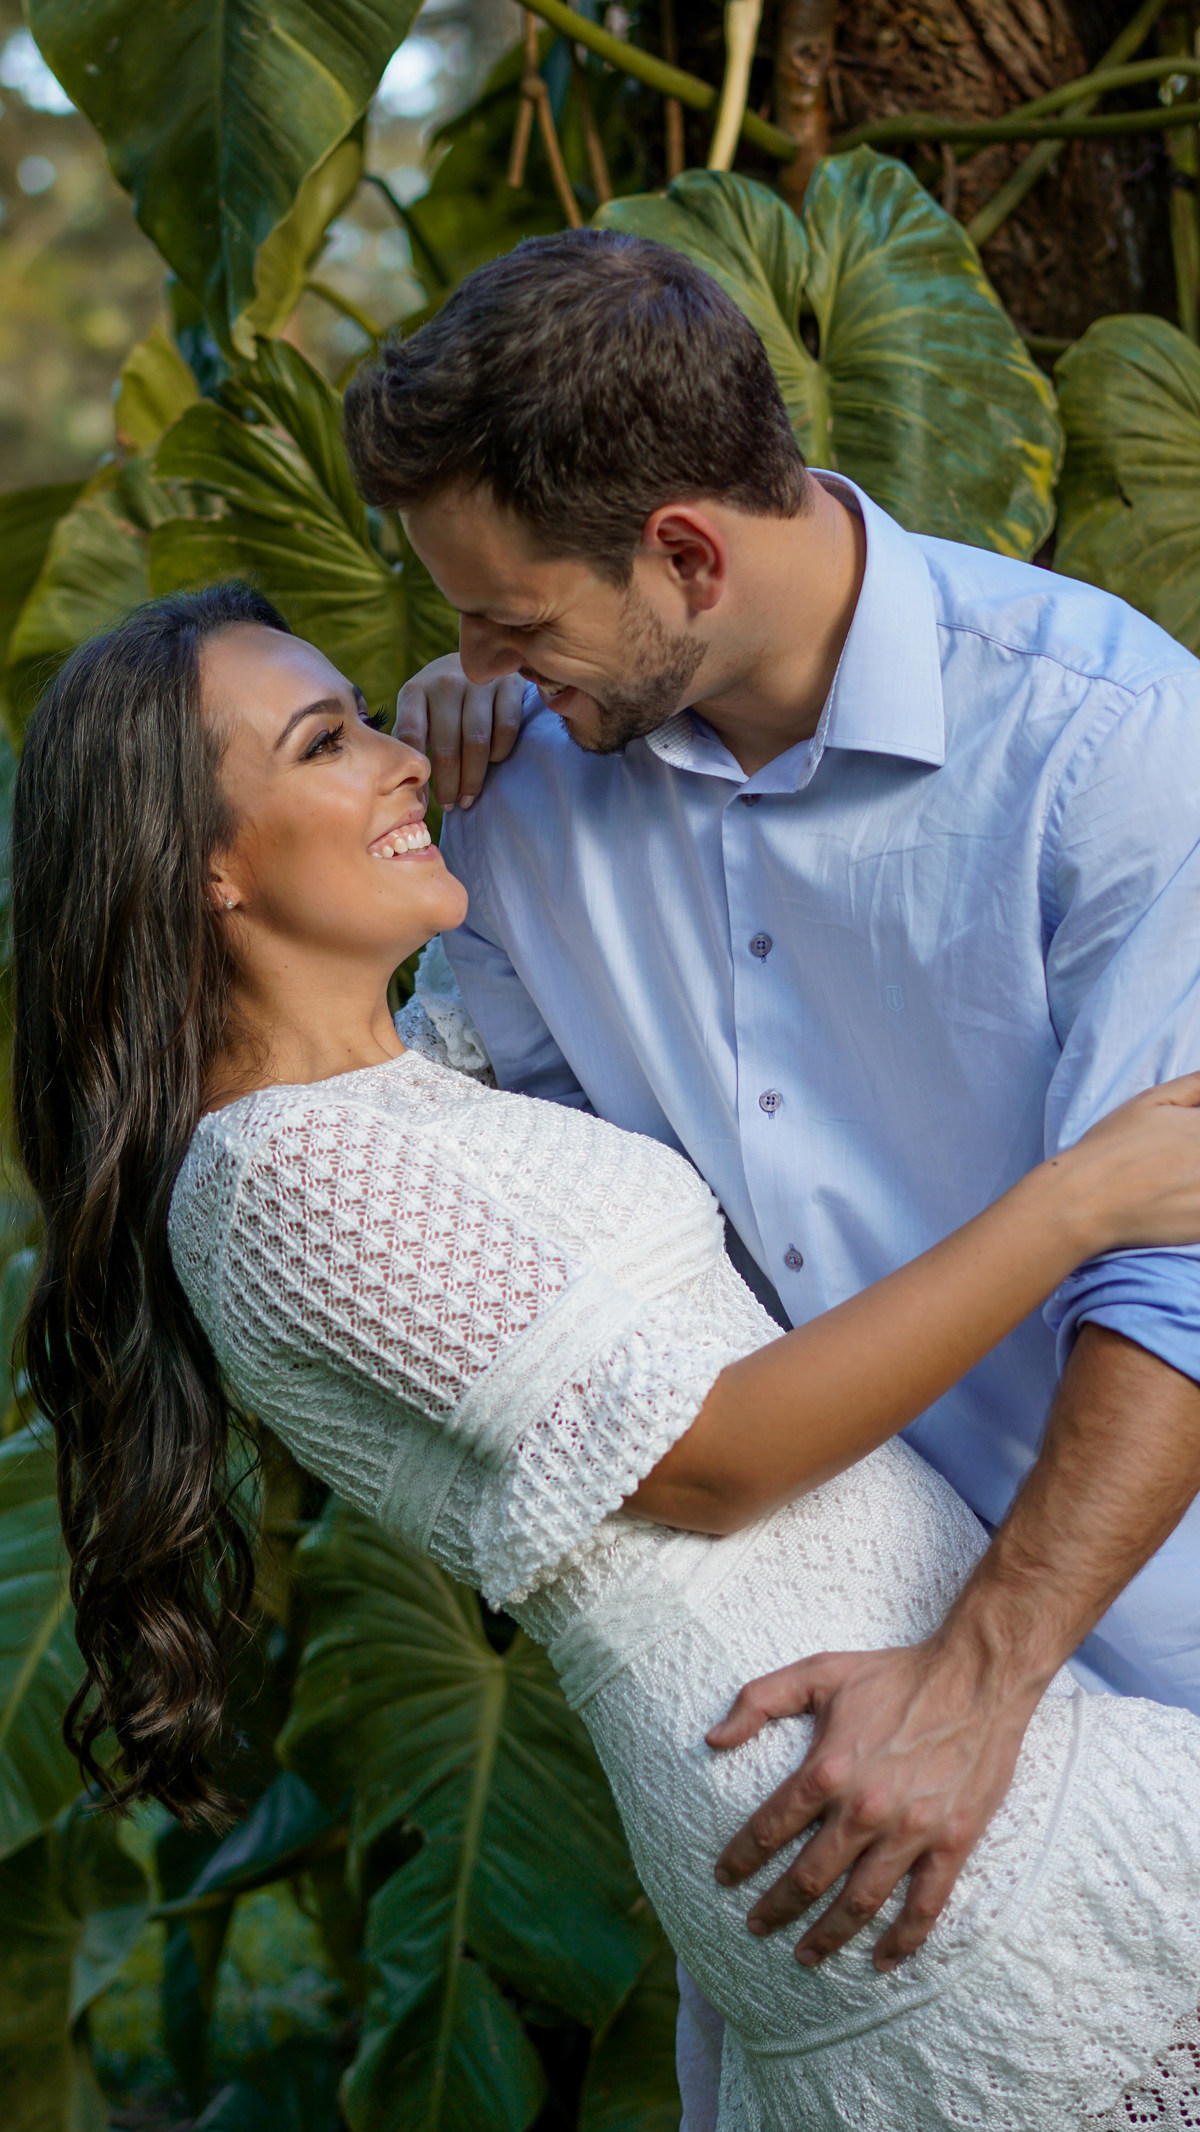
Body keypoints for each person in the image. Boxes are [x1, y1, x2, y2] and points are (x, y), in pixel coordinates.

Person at [12, 583, 1200, 2129]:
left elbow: (518, 998)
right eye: (324, 743)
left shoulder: (404, 1094)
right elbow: (713, 1462)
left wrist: (479, 700)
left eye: (368, 718)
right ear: (204, 868)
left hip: (891, 1749)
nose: (398, 759)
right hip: (856, 1786)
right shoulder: (278, 1182)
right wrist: (1075, 1205)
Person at [339, 227, 1200, 2106]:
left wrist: (978, 1682)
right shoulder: (518, 793)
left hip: (1135, 1673)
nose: (469, 670)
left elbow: (1185, 1269)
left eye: (511, 621)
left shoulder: (1114, 740)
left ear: (688, 555)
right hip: (824, 1739)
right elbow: (580, 1213)